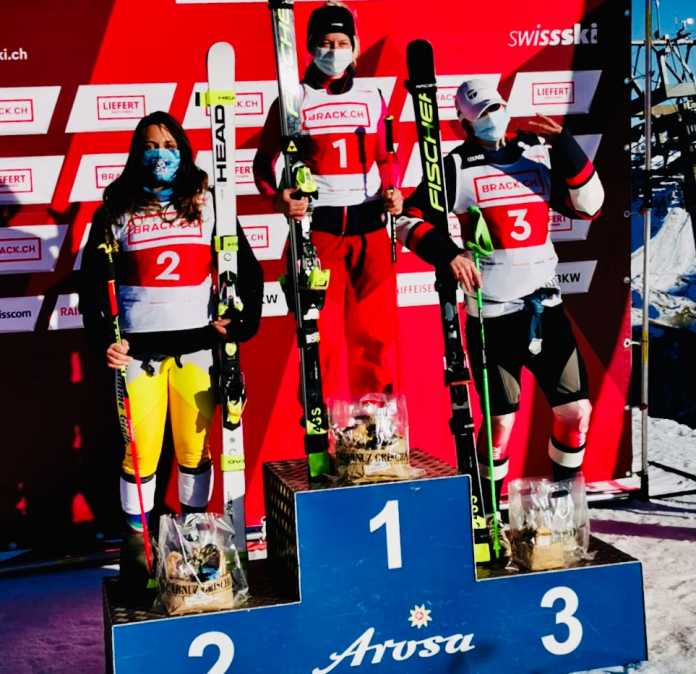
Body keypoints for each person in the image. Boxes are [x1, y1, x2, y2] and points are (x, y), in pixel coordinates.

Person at [396, 78, 604, 516]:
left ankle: (563, 509)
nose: (493, 118)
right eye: (482, 113)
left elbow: (590, 206)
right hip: (493, 317)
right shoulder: (455, 167)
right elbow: (408, 221)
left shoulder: (534, 155)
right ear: (465, 123)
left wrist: (565, 145)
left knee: (576, 412)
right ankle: (487, 513)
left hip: (546, 309)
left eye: (497, 107)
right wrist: (448, 253)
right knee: (500, 426)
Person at [79, 111, 263, 590]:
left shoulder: (207, 203)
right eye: (149, 146)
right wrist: (103, 339)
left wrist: (242, 322)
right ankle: (137, 548)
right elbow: (92, 286)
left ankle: (193, 543)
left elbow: (247, 269)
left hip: (195, 350)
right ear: (136, 153)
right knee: (140, 452)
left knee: (192, 449)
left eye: (168, 145)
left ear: (182, 150)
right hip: (138, 354)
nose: (159, 154)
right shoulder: (116, 210)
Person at [253, 1, 403, 399]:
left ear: (355, 48)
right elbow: (263, 164)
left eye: (341, 43)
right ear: (308, 46)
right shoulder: (293, 100)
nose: (333, 51)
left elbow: (387, 157)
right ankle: (322, 417)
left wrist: (393, 190)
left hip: (370, 228)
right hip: (319, 231)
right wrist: (279, 200)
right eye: (325, 43)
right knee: (322, 335)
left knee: (376, 333)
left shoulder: (372, 97)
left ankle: (374, 419)